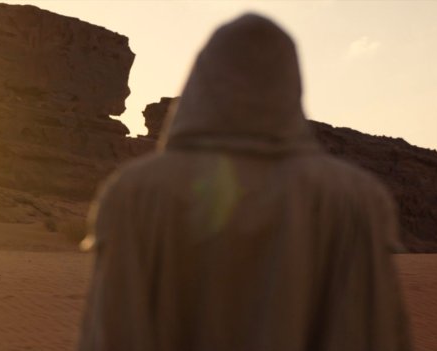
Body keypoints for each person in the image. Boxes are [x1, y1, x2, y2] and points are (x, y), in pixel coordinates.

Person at [78, 13, 411, 351]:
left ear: (202, 75)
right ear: (290, 79)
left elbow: (111, 330)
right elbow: (375, 330)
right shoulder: (354, 198)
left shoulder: (135, 192)